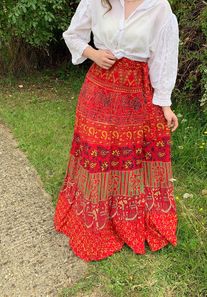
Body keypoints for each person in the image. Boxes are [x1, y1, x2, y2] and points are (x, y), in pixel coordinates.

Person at [54, 0, 179, 262]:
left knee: (128, 155)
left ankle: (126, 217)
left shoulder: (159, 8)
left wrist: (164, 104)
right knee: (97, 155)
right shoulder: (96, 0)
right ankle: (95, 219)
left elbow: (164, 57)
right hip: (98, 89)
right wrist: (93, 54)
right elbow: (73, 35)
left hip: (137, 92)